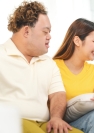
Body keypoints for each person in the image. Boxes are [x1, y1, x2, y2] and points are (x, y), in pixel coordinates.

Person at [0, 1, 82, 133]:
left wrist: (56, 117)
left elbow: (58, 94)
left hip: (43, 124)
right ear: (26, 31)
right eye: (45, 32)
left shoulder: (49, 63)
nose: (49, 36)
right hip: (11, 121)